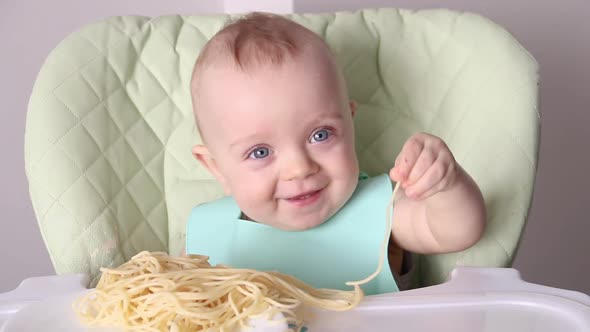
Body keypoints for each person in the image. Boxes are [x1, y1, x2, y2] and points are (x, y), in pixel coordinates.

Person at [185, 12, 486, 293]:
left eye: (320, 135)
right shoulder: (206, 238)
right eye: (260, 152)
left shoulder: (383, 214)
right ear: (217, 168)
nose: (299, 169)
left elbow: (458, 231)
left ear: (349, 125)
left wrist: (446, 184)